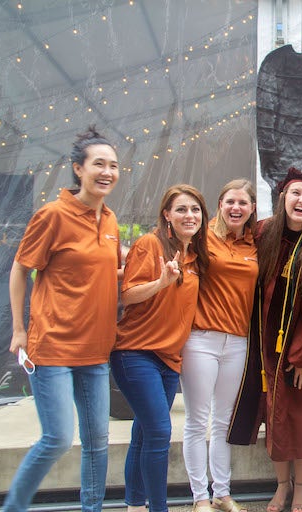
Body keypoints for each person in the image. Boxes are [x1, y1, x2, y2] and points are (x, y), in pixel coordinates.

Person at [3, 126, 120, 512]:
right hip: (51, 346)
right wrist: (20, 330)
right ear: (78, 169)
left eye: (113, 166)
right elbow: (20, 270)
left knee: (97, 442)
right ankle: (13, 508)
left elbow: (102, 274)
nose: (107, 171)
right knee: (56, 439)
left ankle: (92, 509)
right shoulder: (52, 215)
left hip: (96, 350)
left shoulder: (111, 221)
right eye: (98, 164)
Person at [227, 167, 302, 512]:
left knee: (301, 418)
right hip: (262, 347)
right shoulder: (261, 234)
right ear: (283, 198)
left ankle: (301, 486)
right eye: (296, 193)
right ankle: (281, 486)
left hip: (300, 351)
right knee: (273, 416)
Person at [111, 185, 209, 512]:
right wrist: (161, 283)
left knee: (143, 432)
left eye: (195, 210)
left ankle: (134, 505)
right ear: (167, 214)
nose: (189, 216)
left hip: (170, 358)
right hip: (136, 352)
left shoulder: (196, 254)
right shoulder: (150, 245)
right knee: (159, 432)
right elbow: (128, 294)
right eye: (181, 209)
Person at [180, 180, 257, 512]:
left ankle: (222, 493)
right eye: (230, 202)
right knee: (197, 421)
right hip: (201, 338)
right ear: (220, 204)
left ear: (252, 208)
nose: (236, 208)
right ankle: (199, 497)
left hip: (238, 341)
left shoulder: (256, 244)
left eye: (243, 203)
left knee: (224, 422)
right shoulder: (202, 238)